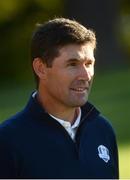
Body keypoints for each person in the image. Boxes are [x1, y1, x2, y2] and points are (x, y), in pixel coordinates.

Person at [0, 17, 119, 179]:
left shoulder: (103, 131)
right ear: (41, 68)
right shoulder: (7, 141)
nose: (85, 76)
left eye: (89, 64)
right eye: (72, 64)